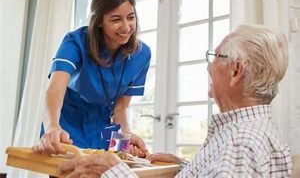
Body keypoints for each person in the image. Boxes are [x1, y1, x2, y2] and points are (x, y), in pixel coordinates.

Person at [57, 24, 292, 177]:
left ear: (236, 71)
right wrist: (187, 167)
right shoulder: (251, 133)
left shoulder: (241, 144)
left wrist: (114, 172)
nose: (209, 66)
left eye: (216, 56)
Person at [32, 0, 150, 157]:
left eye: (131, 17)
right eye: (116, 19)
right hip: (66, 131)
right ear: (100, 21)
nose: (126, 27)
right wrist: (52, 127)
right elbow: (55, 91)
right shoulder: (75, 42)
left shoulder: (142, 54)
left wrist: (125, 140)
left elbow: (120, 108)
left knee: (111, 167)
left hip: (103, 131)